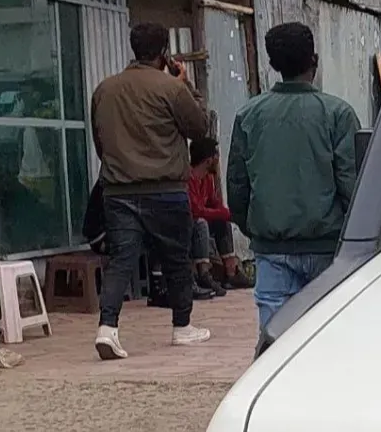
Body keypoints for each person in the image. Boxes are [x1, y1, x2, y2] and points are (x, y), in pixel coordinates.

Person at [89, 22, 213, 358]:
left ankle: (108, 328)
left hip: (117, 190)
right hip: (166, 189)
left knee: (121, 260)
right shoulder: (171, 89)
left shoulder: (105, 89)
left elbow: (100, 142)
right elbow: (200, 127)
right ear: (163, 53)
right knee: (176, 259)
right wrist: (187, 86)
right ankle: (182, 327)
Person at [227, 22, 359, 333]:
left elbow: (237, 186)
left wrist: (256, 228)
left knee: (275, 339)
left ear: (272, 65)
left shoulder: (249, 115)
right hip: (329, 248)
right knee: (330, 333)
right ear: (314, 61)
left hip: (272, 248)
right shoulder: (338, 114)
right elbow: (352, 184)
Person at [188, 136, 239, 292]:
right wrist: (223, 213)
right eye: (216, 155)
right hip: (189, 221)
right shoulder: (188, 178)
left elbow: (214, 204)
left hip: (201, 218)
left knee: (222, 222)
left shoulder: (208, 179)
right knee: (202, 223)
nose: (218, 158)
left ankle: (231, 272)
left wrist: (228, 215)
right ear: (208, 159)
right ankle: (203, 272)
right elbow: (196, 210)